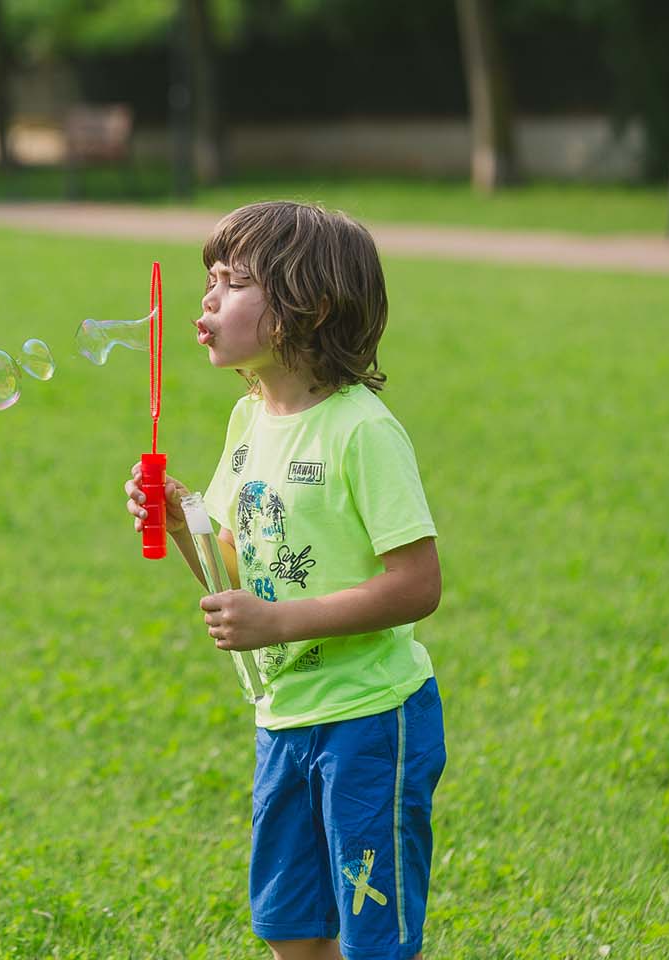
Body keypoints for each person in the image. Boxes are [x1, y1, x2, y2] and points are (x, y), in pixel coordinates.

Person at [124, 202, 446, 960]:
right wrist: (181, 526)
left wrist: (280, 623)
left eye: (232, 283)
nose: (206, 300)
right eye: (209, 280)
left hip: (370, 717)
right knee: (290, 925)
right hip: (285, 716)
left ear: (308, 309)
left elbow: (418, 585)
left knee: (374, 936)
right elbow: (238, 562)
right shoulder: (249, 420)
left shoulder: (361, 429)